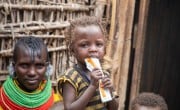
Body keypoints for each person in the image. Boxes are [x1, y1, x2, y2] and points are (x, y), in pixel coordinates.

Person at [57, 16, 119, 110]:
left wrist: (109, 92)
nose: (93, 49)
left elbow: (114, 108)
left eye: (98, 44)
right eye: (84, 45)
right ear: (72, 50)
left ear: (105, 49)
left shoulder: (104, 74)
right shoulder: (71, 77)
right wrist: (93, 86)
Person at [0, 36, 56, 109]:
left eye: (39, 66)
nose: (32, 73)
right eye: (24, 65)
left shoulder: (56, 101)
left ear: (47, 67)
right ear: (14, 67)